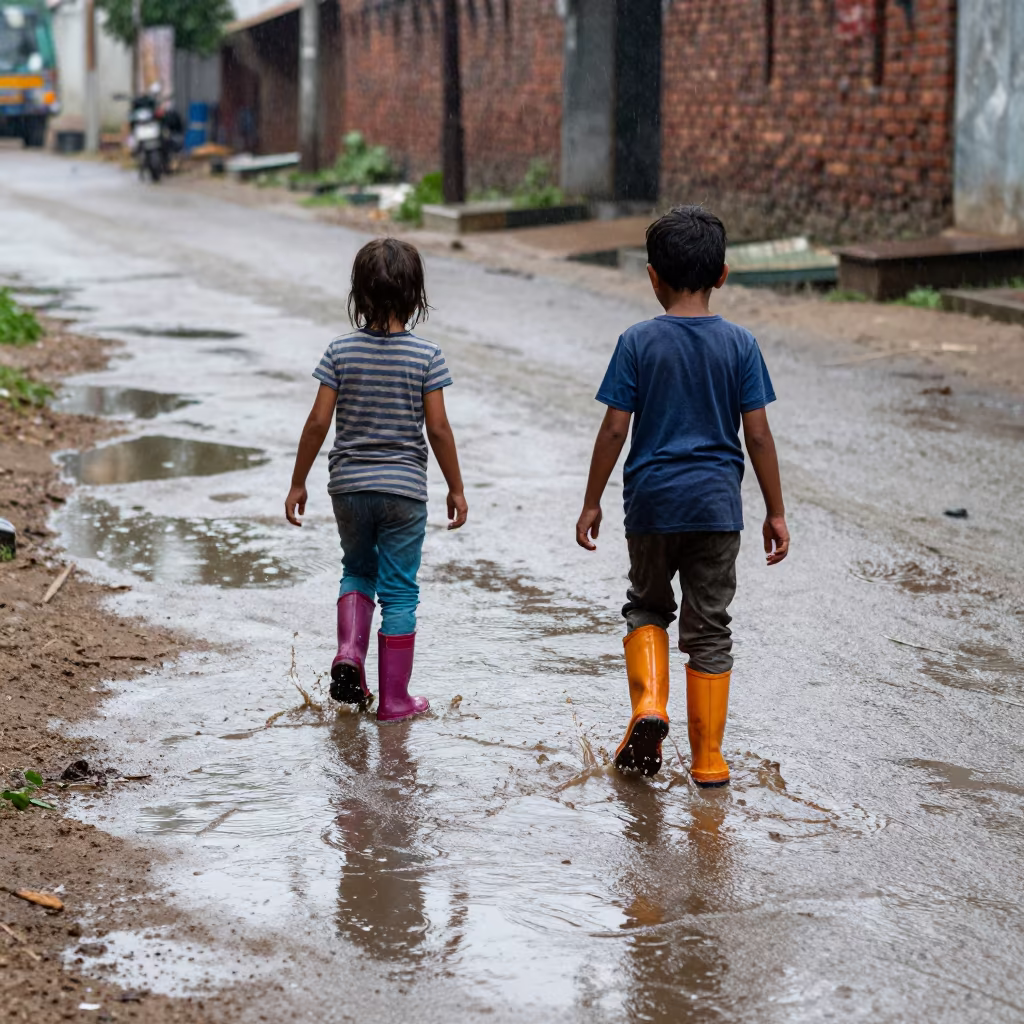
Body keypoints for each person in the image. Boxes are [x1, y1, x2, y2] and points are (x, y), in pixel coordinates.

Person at [575, 206, 789, 784]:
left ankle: (648, 707)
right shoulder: (741, 345)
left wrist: (592, 500)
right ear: (723, 274)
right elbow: (759, 434)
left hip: (651, 506)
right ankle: (709, 761)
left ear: (652, 277)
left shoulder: (637, 341)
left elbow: (616, 428)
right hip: (717, 508)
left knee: (647, 606)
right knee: (710, 627)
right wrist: (775, 510)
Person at [286, 238, 468, 722]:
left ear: (358, 294)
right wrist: (456, 487)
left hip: (348, 487)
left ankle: (349, 654)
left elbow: (317, 422)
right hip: (404, 490)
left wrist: (298, 482)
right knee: (401, 592)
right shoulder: (427, 356)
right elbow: (439, 429)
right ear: (415, 296)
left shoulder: (339, 352)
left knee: (358, 570)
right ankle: (393, 700)